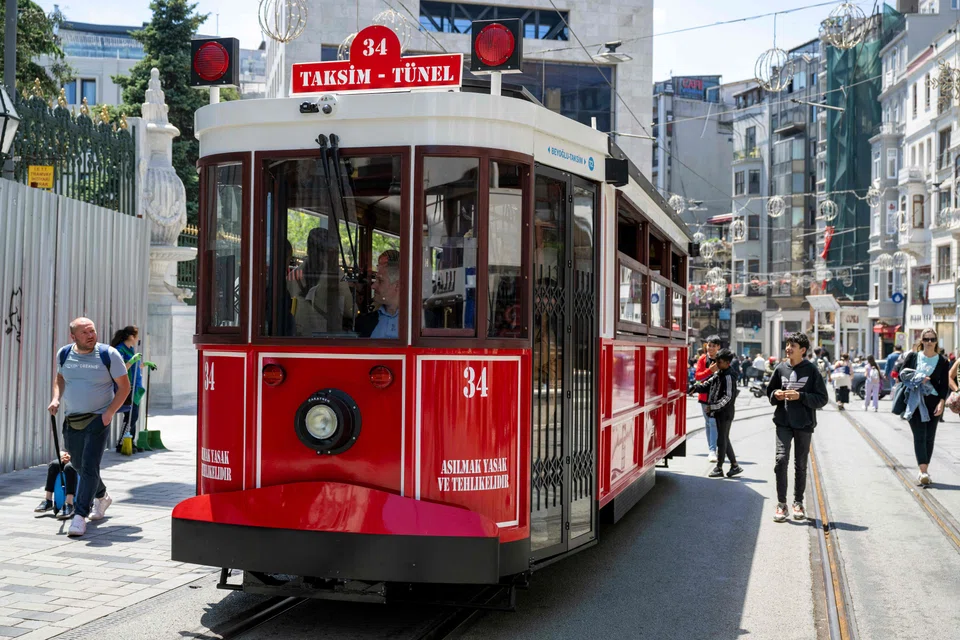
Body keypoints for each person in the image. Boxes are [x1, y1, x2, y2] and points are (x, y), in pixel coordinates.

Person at [48, 317, 130, 537]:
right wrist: (56, 398)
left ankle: (79, 515)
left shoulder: (109, 354)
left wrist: (109, 413)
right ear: (73, 336)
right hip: (72, 418)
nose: (91, 335)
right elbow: (60, 378)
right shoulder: (65, 353)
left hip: (98, 419)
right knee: (76, 464)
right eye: (85, 332)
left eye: (92, 331)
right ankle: (102, 497)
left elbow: (124, 387)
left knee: (90, 465)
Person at [767, 332, 828, 522]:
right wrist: (775, 394)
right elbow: (769, 391)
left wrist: (800, 396)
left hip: (804, 424)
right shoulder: (780, 368)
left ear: (802, 350)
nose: (788, 348)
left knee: (800, 465)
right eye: (787, 344)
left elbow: (822, 399)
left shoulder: (811, 370)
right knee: (780, 460)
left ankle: (798, 502)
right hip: (783, 422)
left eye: (792, 345)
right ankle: (781, 504)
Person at [896, 329, 950, 486]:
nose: (929, 342)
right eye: (926, 339)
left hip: (933, 401)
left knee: (929, 436)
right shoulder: (913, 356)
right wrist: (919, 378)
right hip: (915, 400)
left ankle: (923, 469)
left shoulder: (942, 361)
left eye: (932, 339)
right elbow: (902, 374)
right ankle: (923, 471)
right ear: (922, 341)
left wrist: (941, 402)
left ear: (936, 341)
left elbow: (944, 385)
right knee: (920, 434)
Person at [690, 349, 744, 479]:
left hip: (725, 413)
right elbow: (708, 384)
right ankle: (734, 465)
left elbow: (728, 398)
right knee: (724, 438)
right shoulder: (719, 373)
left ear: (727, 362)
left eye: (719, 362)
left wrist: (713, 407)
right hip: (719, 411)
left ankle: (719, 467)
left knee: (722, 440)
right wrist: (695, 387)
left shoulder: (729, 376)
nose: (716, 365)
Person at [110, 326, 145, 452]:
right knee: (131, 415)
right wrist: (132, 360)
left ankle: (130, 441)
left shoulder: (130, 349)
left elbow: (134, 367)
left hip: (135, 386)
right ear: (131, 336)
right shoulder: (120, 350)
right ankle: (122, 442)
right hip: (126, 387)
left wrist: (143, 365)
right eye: (137, 336)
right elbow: (120, 369)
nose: (138, 339)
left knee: (133, 415)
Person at [358, 253, 401, 338]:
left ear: (397, 285)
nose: (373, 286)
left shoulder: (422, 321)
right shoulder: (364, 322)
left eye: (380, 281)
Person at [694, 336, 722, 463]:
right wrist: (709, 371)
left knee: (712, 422)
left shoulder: (721, 359)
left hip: (717, 397)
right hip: (704, 396)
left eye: (713, 346)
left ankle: (712, 451)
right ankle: (712, 449)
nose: (710, 348)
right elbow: (698, 377)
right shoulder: (702, 359)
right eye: (709, 345)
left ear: (718, 347)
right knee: (708, 423)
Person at [34, 450, 77, 520]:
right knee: (54, 464)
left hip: (81, 459)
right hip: (69, 458)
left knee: (69, 468)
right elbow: (62, 450)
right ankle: (48, 500)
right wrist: (63, 455)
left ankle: (69, 503)